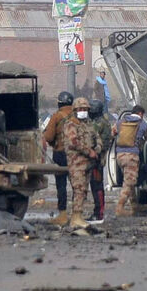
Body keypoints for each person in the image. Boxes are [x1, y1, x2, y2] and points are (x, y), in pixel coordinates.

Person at [58, 97, 102, 228]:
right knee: (78, 189)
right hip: (76, 163)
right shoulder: (70, 124)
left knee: (83, 191)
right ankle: (76, 217)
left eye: (85, 109)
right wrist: (89, 151)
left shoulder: (89, 124)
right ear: (75, 110)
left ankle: (78, 216)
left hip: (88, 163)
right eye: (80, 109)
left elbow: (97, 137)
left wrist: (97, 149)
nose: (83, 111)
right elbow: (73, 142)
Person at [41, 91, 75, 226]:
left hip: (60, 154)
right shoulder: (77, 116)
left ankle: (63, 214)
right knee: (77, 184)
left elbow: (48, 136)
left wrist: (53, 142)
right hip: (76, 154)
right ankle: (77, 214)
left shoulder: (56, 116)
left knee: (61, 185)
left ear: (59, 103)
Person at [113, 104, 147, 216]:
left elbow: (113, 133)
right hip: (132, 156)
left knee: (129, 181)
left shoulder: (120, 122)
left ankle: (134, 207)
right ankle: (120, 207)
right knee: (129, 182)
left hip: (120, 156)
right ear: (140, 113)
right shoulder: (142, 124)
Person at [87, 98, 112, 221]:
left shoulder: (99, 123)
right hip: (98, 158)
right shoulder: (103, 121)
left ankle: (99, 212)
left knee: (97, 186)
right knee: (95, 185)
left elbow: (92, 137)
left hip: (97, 159)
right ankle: (98, 211)